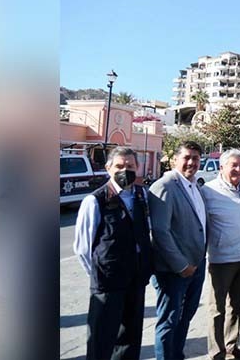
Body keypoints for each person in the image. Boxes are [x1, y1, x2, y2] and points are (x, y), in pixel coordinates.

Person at [73, 147, 153, 360]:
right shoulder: (95, 201)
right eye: (119, 166)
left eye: (130, 166)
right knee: (101, 339)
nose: (125, 171)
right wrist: (101, 273)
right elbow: (82, 248)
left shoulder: (142, 195)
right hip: (108, 284)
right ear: (108, 168)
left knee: (130, 339)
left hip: (136, 280)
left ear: (138, 167)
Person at [148, 141, 208, 360]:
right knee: (169, 321)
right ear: (174, 160)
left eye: (196, 158)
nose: (191, 162)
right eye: (187, 157)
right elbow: (160, 231)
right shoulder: (165, 186)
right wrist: (181, 266)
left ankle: (177, 355)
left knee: (185, 317)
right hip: (174, 270)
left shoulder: (194, 186)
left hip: (196, 265)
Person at [203, 149, 240, 359]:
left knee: (237, 305)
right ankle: (216, 352)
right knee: (217, 309)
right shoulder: (209, 191)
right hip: (221, 259)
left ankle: (231, 345)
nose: (238, 169)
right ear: (222, 166)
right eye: (233, 165)